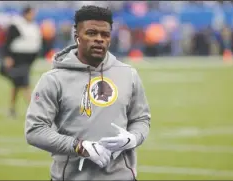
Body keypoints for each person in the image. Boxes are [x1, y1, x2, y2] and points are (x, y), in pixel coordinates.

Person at [25, 5, 150, 180]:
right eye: (91, 33)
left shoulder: (128, 74)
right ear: (77, 36)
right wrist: (78, 146)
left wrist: (133, 138)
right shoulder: (53, 79)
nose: (99, 39)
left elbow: (141, 119)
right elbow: (35, 131)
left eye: (105, 35)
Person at [1, 6, 42, 118]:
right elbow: (7, 41)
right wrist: (7, 57)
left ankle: (11, 109)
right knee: (25, 84)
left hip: (28, 59)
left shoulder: (33, 26)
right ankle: (34, 111)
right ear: (26, 13)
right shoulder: (17, 25)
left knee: (16, 84)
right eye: (31, 13)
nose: (33, 15)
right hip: (17, 58)